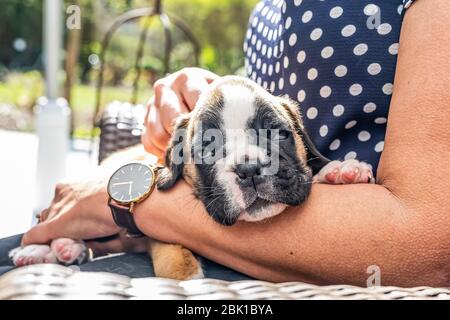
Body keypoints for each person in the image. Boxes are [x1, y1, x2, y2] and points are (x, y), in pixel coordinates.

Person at [1, 0, 449, 286]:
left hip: (336, 256)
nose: (251, 166)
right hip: (217, 245)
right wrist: (200, 94)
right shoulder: (267, 11)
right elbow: (245, 112)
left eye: (273, 136)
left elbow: (433, 244)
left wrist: (126, 201)